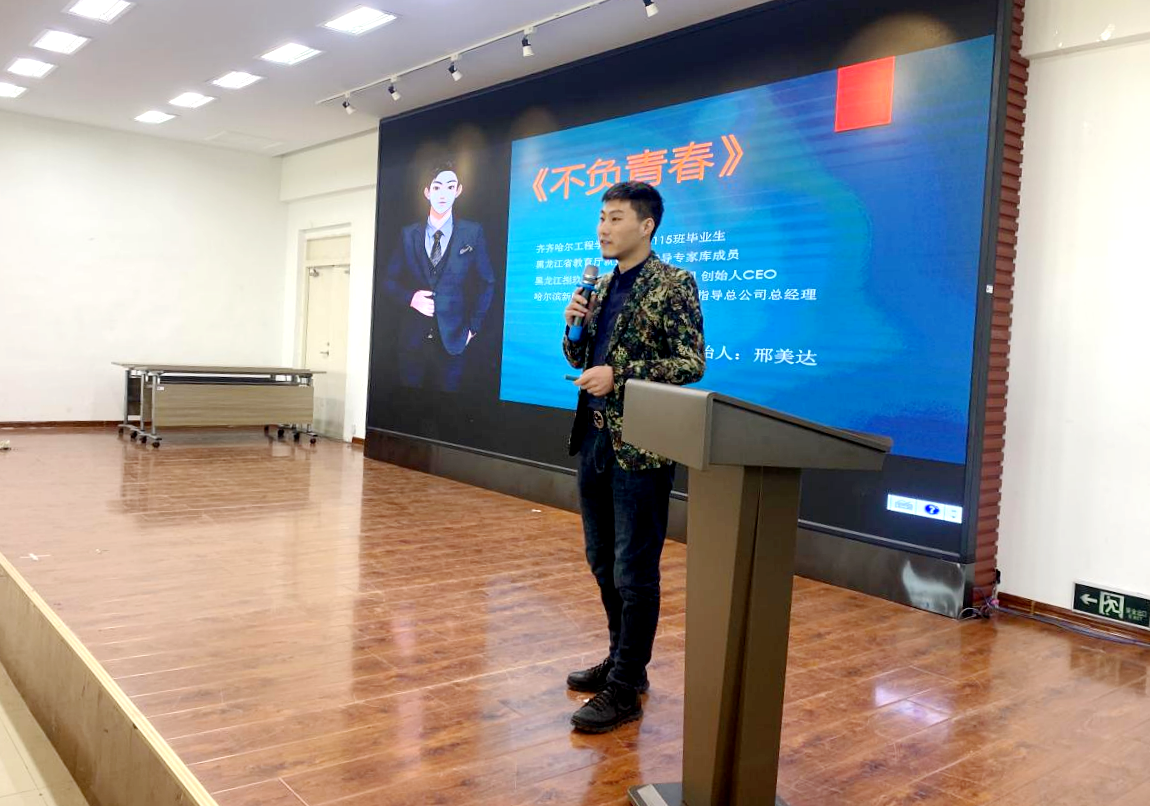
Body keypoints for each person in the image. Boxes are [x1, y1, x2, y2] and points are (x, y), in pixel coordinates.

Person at [562, 181, 706, 733]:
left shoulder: (674, 283)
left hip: (641, 449)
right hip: (595, 440)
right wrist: (573, 325)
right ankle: (622, 661)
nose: (603, 228)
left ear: (646, 225)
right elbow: (578, 356)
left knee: (634, 570)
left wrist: (620, 375)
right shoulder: (599, 287)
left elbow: (690, 362)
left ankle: (625, 688)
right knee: (601, 560)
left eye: (616, 218)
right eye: (601, 217)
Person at [382, 161, 496, 392]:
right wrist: (410, 298)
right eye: (436, 187)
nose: (443, 194)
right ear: (427, 192)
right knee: (408, 401)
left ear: (458, 190)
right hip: (412, 341)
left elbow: (487, 282)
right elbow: (388, 280)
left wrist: (472, 328)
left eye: (450, 187)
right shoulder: (408, 235)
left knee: (448, 403)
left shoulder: (472, 232)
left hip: (454, 340)